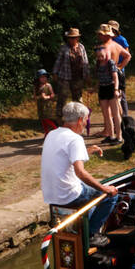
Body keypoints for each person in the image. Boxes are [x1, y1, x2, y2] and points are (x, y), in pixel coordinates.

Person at [40, 101, 119, 239]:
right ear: (80, 120)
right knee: (111, 196)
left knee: (91, 191)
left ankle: (82, 227)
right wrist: (105, 189)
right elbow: (80, 172)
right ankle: (91, 235)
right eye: (86, 120)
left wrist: (86, 151)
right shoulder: (75, 139)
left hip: (51, 195)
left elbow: (64, 158)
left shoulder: (51, 134)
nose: (86, 124)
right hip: (68, 195)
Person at [93, 24, 129, 145]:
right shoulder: (115, 45)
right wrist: (120, 67)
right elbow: (127, 56)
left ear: (106, 35)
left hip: (113, 80)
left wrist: (118, 68)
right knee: (108, 111)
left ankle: (119, 135)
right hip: (107, 79)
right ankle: (111, 133)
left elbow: (128, 56)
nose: (99, 36)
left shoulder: (106, 46)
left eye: (100, 34)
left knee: (115, 110)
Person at [52, 27, 89, 132]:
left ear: (78, 38)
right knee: (62, 98)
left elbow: (85, 62)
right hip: (65, 77)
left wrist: (87, 75)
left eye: (74, 38)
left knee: (78, 99)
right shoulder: (64, 48)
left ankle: (79, 120)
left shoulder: (81, 47)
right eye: (70, 38)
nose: (72, 40)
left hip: (78, 77)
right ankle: (59, 120)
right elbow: (58, 61)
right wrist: (55, 72)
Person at [108, 19, 131, 117]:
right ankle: (114, 116)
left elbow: (128, 55)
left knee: (121, 94)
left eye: (111, 29)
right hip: (109, 70)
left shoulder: (122, 39)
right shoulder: (108, 40)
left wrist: (120, 67)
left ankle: (124, 116)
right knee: (111, 94)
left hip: (119, 70)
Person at [34, 69, 57, 133]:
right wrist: (40, 96)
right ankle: (46, 132)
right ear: (38, 78)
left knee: (47, 119)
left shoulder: (48, 85)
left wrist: (47, 97)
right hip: (40, 106)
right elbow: (35, 97)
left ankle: (56, 130)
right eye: (41, 77)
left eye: (45, 77)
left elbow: (53, 95)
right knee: (42, 120)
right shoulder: (36, 87)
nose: (44, 79)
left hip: (47, 106)